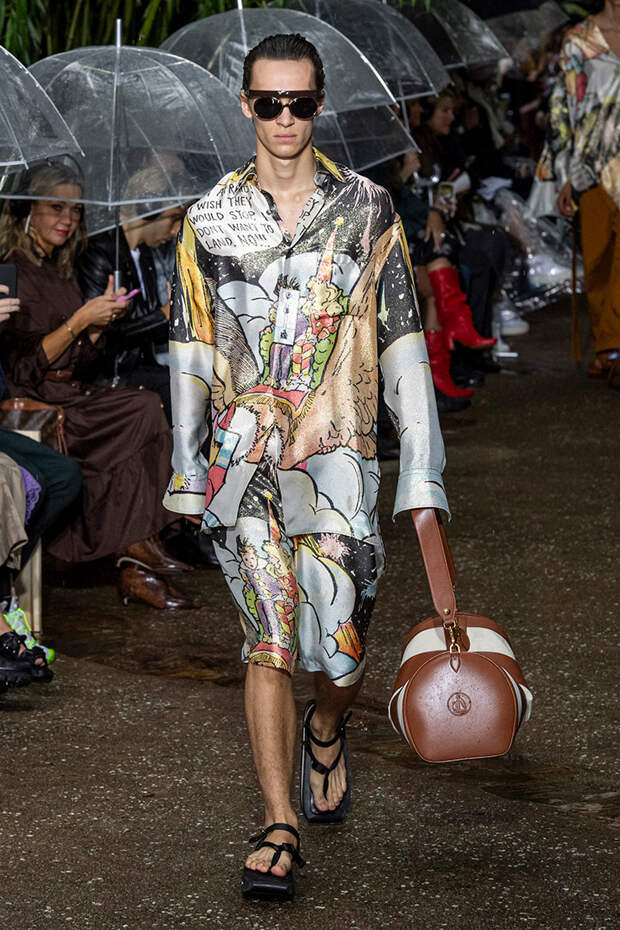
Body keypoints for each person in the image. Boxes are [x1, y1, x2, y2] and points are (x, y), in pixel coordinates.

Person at [163, 33, 450, 900]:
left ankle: (328, 727)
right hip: (242, 461)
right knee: (270, 635)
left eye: (299, 102)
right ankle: (278, 821)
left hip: (340, 458)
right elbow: (191, 349)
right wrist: (187, 468)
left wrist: (423, 470)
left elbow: (402, 342)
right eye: (268, 102)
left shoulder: (369, 210)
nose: (284, 118)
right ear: (246, 106)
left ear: (319, 106)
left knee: (342, 650)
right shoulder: (208, 220)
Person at [0, 162, 197, 609]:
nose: (67, 219)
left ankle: (137, 551)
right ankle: (136, 549)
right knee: (141, 411)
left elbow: (83, 359)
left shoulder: (59, 268)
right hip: (34, 396)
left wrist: (95, 328)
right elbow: (23, 365)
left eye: (74, 210)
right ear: (28, 210)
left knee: (146, 407)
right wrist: (79, 322)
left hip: (69, 388)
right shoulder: (11, 270)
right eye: (56, 208)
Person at [528, 0, 620, 380]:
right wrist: (564, 174)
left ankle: (612, 348)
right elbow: (563, 109)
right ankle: (608, 345)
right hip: (591, 167)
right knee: (598, 260)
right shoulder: (578, 40)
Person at [77, 167, 186, 422]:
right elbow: (105, 338)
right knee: (180, 391)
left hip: (144, 366)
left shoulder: (145, 254)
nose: (176, 230)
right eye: (173, 219)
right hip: (111, 372)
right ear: (149, 209)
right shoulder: (102, 253)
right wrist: (163, 315)